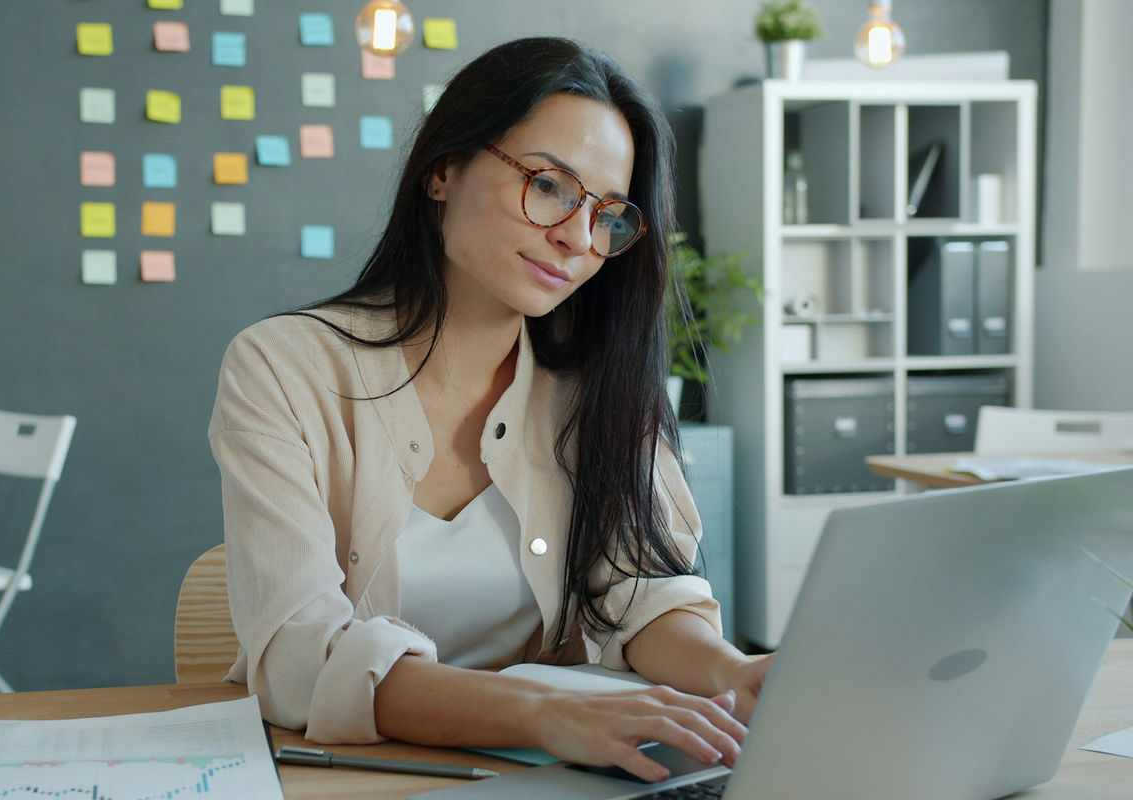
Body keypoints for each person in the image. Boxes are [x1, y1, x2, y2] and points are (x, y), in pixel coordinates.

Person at [209, 36, 772, 783]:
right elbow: (298, 655)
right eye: (548, 186)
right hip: (356, 779)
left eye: (607, 215)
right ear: (443, 170)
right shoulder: (284, 367)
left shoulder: (598, 385)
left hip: (558, 777)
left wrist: (732, 674)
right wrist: (544, 712)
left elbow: (642, 594)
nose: (576, 237)